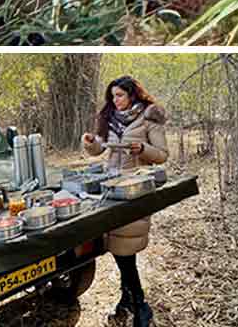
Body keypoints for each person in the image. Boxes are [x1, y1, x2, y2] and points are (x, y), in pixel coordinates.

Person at [82, 76, 168, 327]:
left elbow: (162, 155)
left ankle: (141, 304)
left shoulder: (149, 118)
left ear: (132, 95)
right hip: (111, 188)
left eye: (119, 95)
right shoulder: (110, 117)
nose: (114, 101)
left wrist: (142, 149)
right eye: (112, 96)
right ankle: (127, 298)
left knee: (125, 250)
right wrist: (90, 143)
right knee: (116, 244)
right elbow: (100, 149)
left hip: (136, 189)